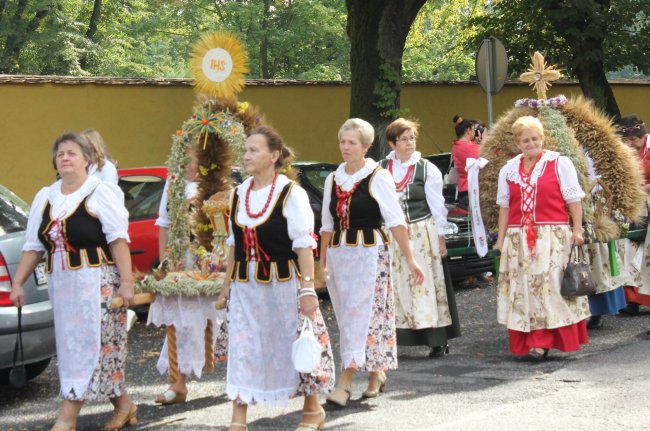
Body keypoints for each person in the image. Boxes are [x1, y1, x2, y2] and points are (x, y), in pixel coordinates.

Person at [10, 133, 136, 431]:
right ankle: (125, 405)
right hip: (64, 285)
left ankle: (66, 419)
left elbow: (118, 240)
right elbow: (33, 247)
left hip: (99, 282)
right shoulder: (46, 196)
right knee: (74, 347)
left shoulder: (100, 192)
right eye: (60, 154)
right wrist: (18, 283)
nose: (65, 158)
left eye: (72, 153)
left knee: (93, 345)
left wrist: (127, 283)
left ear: (87, 160)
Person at [217, 126, 334, 431]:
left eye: (253, 150)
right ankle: (238, 419)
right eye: (245, 150)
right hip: (246, 288)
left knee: (295, 344)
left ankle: (312, 411)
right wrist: (225, 287)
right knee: (244, 347)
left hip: (284, 286)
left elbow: (304, 246)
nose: (246, 155)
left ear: (273, 156)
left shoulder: (290, 194)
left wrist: (308, 288)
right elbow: (235, 247)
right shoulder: (237, 194)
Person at [320, 118, 424, 407]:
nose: (346, 147)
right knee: (347, 317)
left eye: (352, 142)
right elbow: (326, 226)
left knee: (360, 315)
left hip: (369, 255)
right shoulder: (332, 178)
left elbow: (396, 221)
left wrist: (411, 259)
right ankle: (377, 372)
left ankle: (345, 381)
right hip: (340, 257)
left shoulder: (378, 176)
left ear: (365, 146)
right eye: (343, 141)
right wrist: (322, 263)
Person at [494, 116, 590, 360]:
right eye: (525, 140)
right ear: (518, 143)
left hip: (552, 235)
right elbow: (505, 207)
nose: (531, 143)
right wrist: (500, 239)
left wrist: (577, 229)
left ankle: (544, 341)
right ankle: (533, 340)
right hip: (518, 238)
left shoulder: (559, 163)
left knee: (549, 287)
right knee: (523, 289)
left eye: (535, 138)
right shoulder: (508, 169)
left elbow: (573, 201)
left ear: (542, 138)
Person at [379, 118, 460, 358]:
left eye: (412, 138)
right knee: (394, 285)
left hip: (420, 232)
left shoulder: (427, 168)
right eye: (404, 139)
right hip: (391, 234)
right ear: (392, 143)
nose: (409, 143)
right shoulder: (380, 168)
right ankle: (392, 336)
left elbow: (437, 206)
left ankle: (436, 339)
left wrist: (441, 239)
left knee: (423, 284)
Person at [147, 150, 217, 405]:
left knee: (223, 320)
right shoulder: (173, 182)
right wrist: (166, 261)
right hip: (181, 259)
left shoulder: (216, 182)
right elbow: (164, 224)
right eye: (185, 157)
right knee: (183, 319)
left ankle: (243, 380)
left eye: (195, 157)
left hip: (210, 260)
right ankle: (178, 383)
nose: (190, 163)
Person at [617, 115, 650, 314]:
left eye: (634, 141)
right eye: (628, 142)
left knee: (648, 251)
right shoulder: (624, 152)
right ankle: (631, 299)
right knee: (627, 246)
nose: (631, 145)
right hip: (635, 203)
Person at [451, 115, 480, 210]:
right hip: (472, 189)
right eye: (473, 130)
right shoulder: (470, 146)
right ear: (467, 131)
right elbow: (487, 156)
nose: (474, 132)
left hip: (463, 188)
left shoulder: (456, 146)